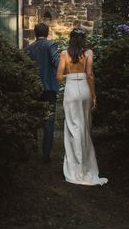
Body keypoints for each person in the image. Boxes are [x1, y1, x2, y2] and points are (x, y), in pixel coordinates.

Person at [56, 28, 108, 186]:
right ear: (83, 40)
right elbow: (90, 75)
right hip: (85, 90)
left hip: (71, 90)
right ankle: (86, 165)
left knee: (72, 127)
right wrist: (94, 96)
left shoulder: (64, 54)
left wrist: (70, 77)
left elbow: (58, 76)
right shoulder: (89, 53)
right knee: (85, 127)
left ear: (71, 39)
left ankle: (75, 167)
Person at [25, 22, 60, 162]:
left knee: (33, 119)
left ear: (35, 33)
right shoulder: (51, 45)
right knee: (49, 121)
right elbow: (56, 63)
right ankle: (46, 155)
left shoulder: (28, 48)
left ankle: (33, 148)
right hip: (49, 87)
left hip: (34, 88)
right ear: (47, 33)